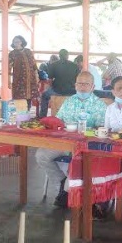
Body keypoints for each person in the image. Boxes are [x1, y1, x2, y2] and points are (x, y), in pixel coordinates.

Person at [35, 71, 106, 207]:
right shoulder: (69, 101)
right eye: (79, 83)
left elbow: (102, 129)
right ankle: (62, 183)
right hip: (64, 142)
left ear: (93, 86)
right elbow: (58, 121)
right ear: (75, 85)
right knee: (41, 155)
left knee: (78, 162)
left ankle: (69, 192)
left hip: (85, 146)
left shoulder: (99, 105)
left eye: (86, 84)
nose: (82, 87)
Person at [39, 49, 79, 118]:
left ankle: (42, 117)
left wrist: (50, 88)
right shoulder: (74, 65)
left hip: (57, 91)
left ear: (59, 56)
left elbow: (50, 80)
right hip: (71, 91)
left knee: (44, 95)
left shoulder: (53, 65)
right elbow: (77, 80)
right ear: (67, 56)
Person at [8, 35, 39, 111]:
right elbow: (8, 68)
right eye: (15, 42)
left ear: (22, 42)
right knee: (19, 97)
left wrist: (36, 75)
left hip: (30, 78)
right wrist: (8, 81)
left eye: (18, 41)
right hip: (19, 79)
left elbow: (34, 64)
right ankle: (20, 112)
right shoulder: (12, 54)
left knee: (30, 96)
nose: (16, 43)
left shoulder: (28, 51)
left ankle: (28, 110)